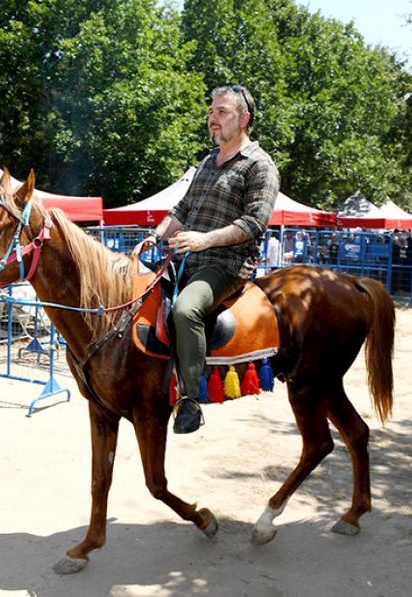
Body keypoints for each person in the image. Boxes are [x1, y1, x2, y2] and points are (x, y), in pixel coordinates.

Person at [132, 85, 279, 434]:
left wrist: (203, 241)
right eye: (211, 112)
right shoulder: (206, 163)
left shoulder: (260, 165)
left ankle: (189, 401)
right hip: (187, 257)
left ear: (244, 119)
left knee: (185, 309)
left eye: (222, 112)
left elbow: (254, 223)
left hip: (226, 265)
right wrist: (155, 235)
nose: (212, 119)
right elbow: (182, 210)